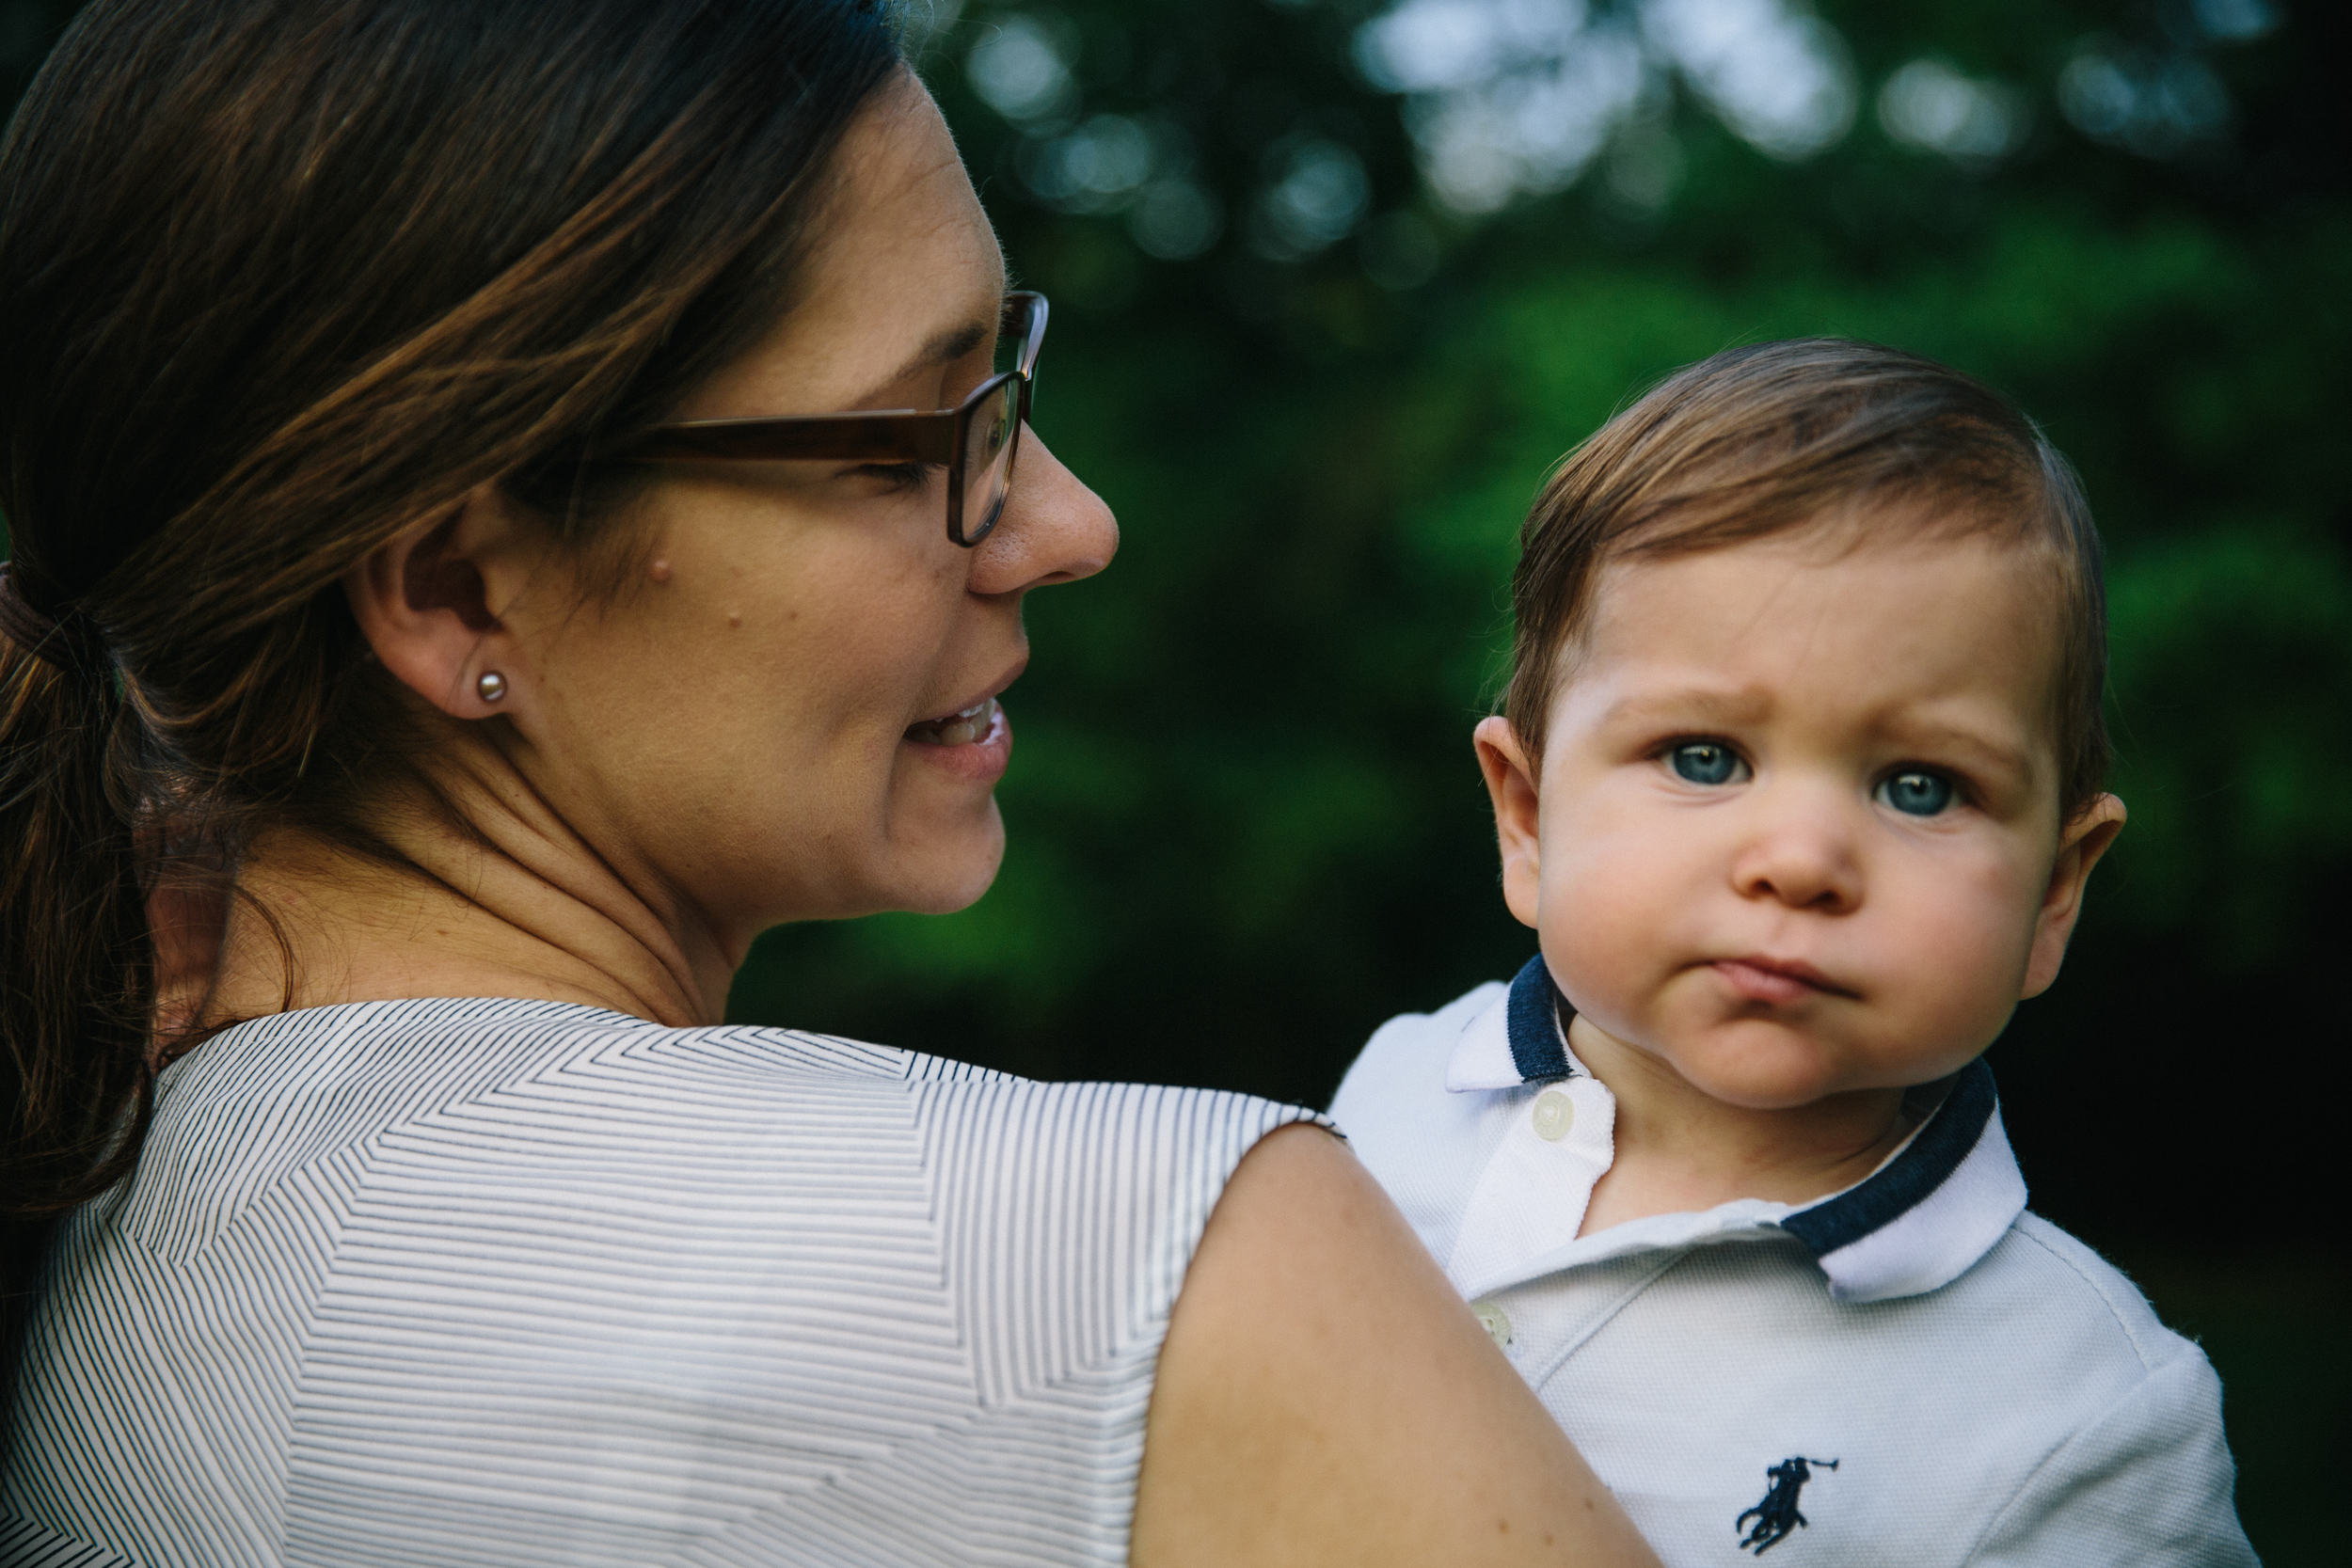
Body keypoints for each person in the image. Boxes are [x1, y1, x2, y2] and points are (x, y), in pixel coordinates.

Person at [0, 3, 1665, 1565]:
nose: (1070, 527)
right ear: (455, 592)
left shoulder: (91, 1239)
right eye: (912, 439)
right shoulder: (1140, 1270)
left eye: (1004, 381)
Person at [1330, 341, 2258, 1565]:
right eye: (1705, 757)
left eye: (1921, 787)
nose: (1804, 858)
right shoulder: (1383, 1104)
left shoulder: (2082, 1412)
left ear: (2053, 893)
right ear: (1530, 817)